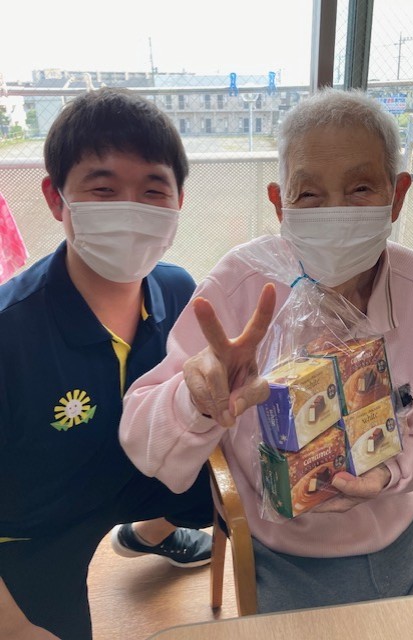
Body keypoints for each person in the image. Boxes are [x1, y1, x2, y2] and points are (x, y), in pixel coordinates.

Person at [119, 87, 413, 613]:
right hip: (284, 552)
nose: (336, 211)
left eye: (361, 188)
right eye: (309, 194)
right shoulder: (242, 284)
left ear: (397, 195)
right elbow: (143, 440)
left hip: (406, 536)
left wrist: (388, 472)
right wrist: (200, 399)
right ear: (279, 202)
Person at [0, 87, 213, 640]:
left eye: (153, 190)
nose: (131, 209)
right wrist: (14, 626)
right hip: (37, 525)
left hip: (133, 475)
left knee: (219, 479)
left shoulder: (179, 290)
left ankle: (149, 532)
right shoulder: (9, 330)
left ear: (180, 200)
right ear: (56, 198)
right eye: (103, 189)